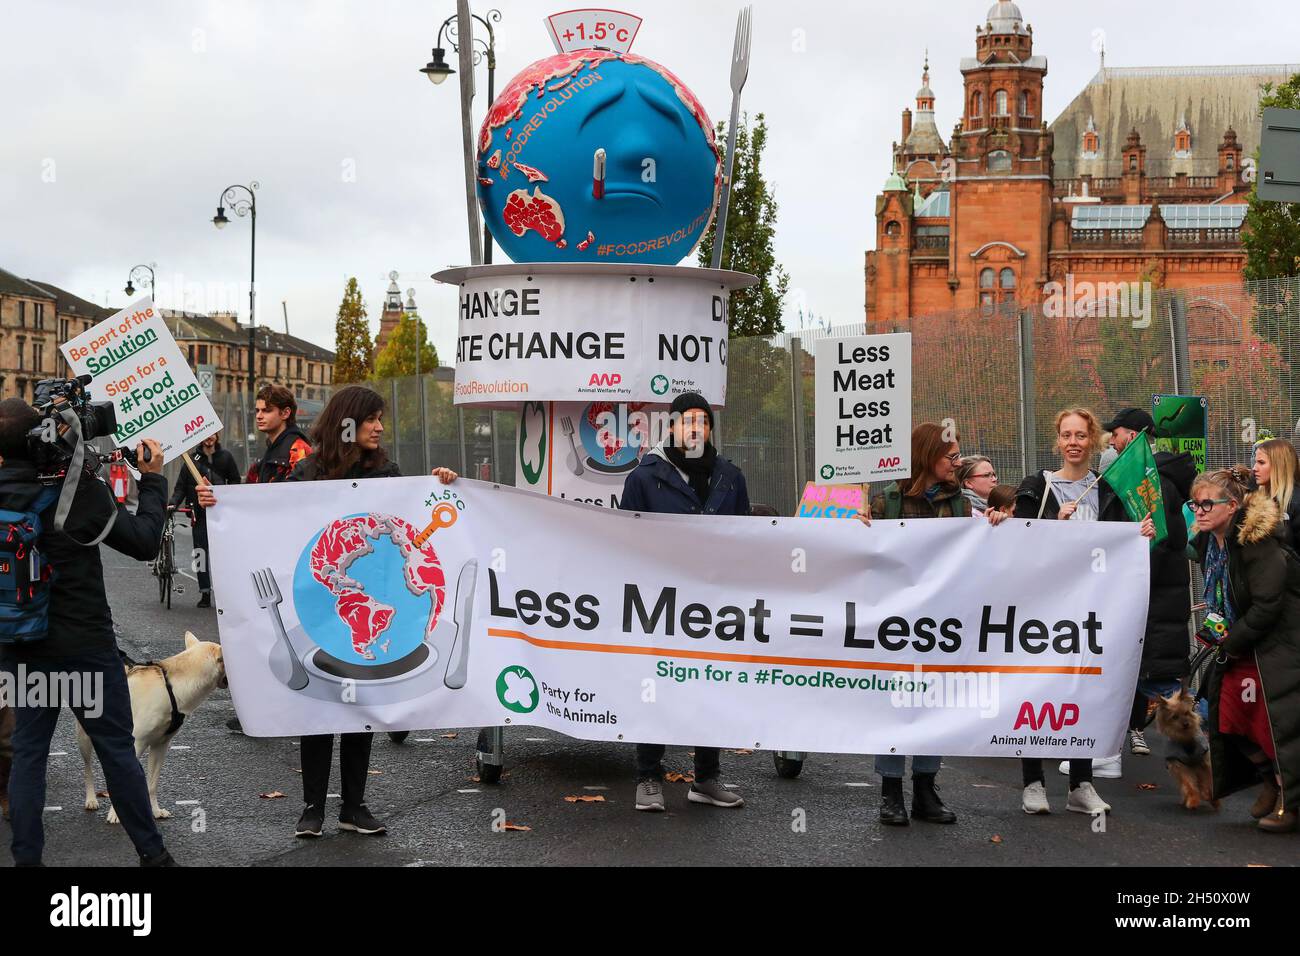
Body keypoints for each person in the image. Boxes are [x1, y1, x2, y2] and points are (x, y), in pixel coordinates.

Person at [199, 385, 457, 838]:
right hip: (324, 599)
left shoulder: (388, 472)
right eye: (372, 419)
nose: (379, 427)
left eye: (380, 419)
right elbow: (272, 517)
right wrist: (220, 505)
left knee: (362, 704)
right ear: (347, 423)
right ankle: (312, 807)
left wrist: (441, 483)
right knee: (318, 706)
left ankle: (354, 807)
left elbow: (417, 513)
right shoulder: (309, 471)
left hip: (370, 603)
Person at [0, 398, 176, 866]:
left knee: (29, 756)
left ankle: (26, 861)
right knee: (117, 750)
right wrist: (153, 479)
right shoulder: (77, 489)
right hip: (85, 646)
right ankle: (153, 857)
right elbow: (142, 541)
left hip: (22, 645)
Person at [855, 423, 1007, 826]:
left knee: (932, 699)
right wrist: (858, 526)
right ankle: (891, 791)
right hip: (895, 621)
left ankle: (925, 788)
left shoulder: (959, 503)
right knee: (895, 700)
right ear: (926, 457)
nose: (957, 464)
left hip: (941, 621)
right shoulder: (886, 501)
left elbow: (980, 542)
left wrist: (992, 524)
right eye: (950, 457)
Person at [1013, 408, 1155, 817]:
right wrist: (1052, 524)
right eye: (1066, 435)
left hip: (1092, 612)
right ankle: (1033, 782)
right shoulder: (1038, 487)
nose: (1073, 442)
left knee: (1084, 692)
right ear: (1057, 441)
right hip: (1043, 613)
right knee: (1036, 692)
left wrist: (1138, 534)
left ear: (1092, 440)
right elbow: (1018, 545)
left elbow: (1127, 545)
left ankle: (1080, 783)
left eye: (1081, 435)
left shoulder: (1109, 489)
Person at [619, 393, 749, 813]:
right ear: (671, 427)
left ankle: (706, 779)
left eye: (704, 422)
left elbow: (748, 537)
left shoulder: (729, 476)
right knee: (655, 683)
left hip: (713, 603)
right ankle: (648, 777)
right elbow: (627, 543)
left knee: (709, 684)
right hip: (659, 602)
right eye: (687, 420)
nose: (696, 428)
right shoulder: (644, 477)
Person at [1188, 467, 1300, 833]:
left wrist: (1231, 643)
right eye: (1195, 504)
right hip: (1241, 642)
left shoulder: (1257, 541)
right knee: (1227, 719)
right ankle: (1270, 780)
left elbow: (1268, 606)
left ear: (1232, 505)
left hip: (1277, 643)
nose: (1199, 510)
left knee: (1276, 726)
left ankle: (1291, 803)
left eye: (1207, 504)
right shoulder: (1212, 541)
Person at [1102, 408, 1196, 758]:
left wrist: (1127, 571)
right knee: (1144, 679)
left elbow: (1162, 541)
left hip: (1152, 601)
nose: (1112, 439)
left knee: (1162, 688)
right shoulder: (1154, 478)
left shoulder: (1152, 481)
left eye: (1118, 432)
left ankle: (1202, 755)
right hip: (1154, 599)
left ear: (1137, 436)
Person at [169, 432, 241, 608]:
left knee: (222, 556)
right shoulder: (191, 460)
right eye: (206, 435)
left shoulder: (226, 457)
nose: (209, 438)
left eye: (213, 434)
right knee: (200, 555)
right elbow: (181, 488)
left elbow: (235, 482)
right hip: (199, 515)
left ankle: (226, 593)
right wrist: (172, 504)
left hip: (221, 514)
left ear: (217, 436)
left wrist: (231, 500)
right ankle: (205, 593)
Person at [245, 384, 312, 484]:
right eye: (257, 410)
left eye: (266, 410)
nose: (259, 416)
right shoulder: (272, 448)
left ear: (285, 413)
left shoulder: (299, 450)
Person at [1252, 438, 1300, 554]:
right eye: (1255, 462)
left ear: (1280, 465)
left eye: (1261, 463)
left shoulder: (1296, 502)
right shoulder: (1256, 498)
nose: (1254, 468)